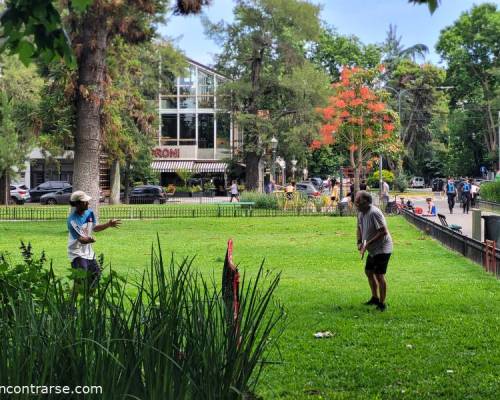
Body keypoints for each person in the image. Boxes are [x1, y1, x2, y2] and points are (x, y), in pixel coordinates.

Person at [67, 191, 121, 287]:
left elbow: (95, 228)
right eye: (85, 201)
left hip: (89, 254)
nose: (88, 203)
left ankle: (88, 301)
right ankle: (71, 302)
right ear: (77, 204)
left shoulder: (89, 213)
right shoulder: (72, 220)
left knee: (95, 278)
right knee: (80, 281)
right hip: (77, 253)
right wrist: (89, 240)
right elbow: (81, 240)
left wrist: (108, 224)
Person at [355, 191, 393, 312]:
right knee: (368, 271)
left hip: (382, 248)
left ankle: (382, 304)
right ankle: (375, 298)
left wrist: (367, 244)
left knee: (379, 275)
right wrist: (359, 242)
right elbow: (359, 228)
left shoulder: (374, 213)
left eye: (358, 201)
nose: (356, 203)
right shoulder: (361, 213)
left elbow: (383, 232)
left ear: (366, 201)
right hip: (371, 248)